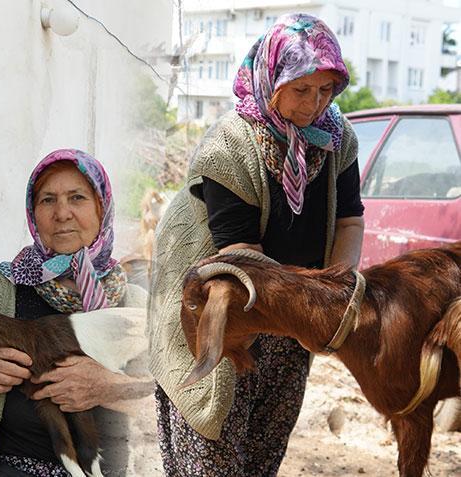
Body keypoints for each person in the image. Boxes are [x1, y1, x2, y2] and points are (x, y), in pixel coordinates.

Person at [148, 13, 364, 476]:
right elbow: (243, 260)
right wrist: (308, 300)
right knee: (213, 447)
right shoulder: (231, 145)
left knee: (263, 449)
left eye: (326, 90)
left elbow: (349, 221)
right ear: (272, 79)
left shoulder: (337, 138)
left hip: (289, 317)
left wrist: (338, 292)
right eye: (303, 89)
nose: (315, 104)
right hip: (223, 311)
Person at [0, 149, 149, 476]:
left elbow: (174, 408)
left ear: (102, 208)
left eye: (77, 198)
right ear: (33, 213)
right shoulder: (0, 290)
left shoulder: (135, 304)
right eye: (47, 200)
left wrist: (107, 387)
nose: (62, 213)